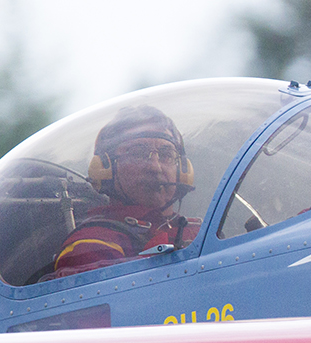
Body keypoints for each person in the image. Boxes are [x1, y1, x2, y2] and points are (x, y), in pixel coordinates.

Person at [49, 105, 200, 277]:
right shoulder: (90, 244)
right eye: (138, 153)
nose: (155, 167)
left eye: (166, 154)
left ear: (183, 169)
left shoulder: (200, 230)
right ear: (106, 168)